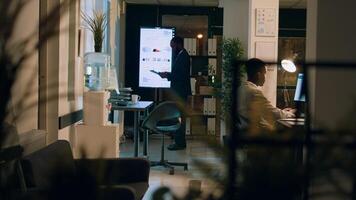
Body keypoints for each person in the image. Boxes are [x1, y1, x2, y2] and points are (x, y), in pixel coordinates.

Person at [237, 58, 296, 134]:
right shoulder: (254, 92)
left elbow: (268, 109)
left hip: (245, 133)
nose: (265, 77)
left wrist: (283, 112)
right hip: (258, 135)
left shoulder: (241, 88)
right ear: (259, 75)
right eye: (264, 74)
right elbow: (271, 112)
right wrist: (290, 114)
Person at [158, 36, 191, 150]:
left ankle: (180, 143)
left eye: (173, 46)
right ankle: (179, 141)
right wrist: (168, 74)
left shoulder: (183, 56)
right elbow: (178, 74)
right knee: (178, 116)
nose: (172, 49)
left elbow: (180, 76)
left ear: (178, 44)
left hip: (180, 92)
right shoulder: (181, 55)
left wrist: (167, 75)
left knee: (179, 117)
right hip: (179, 91)